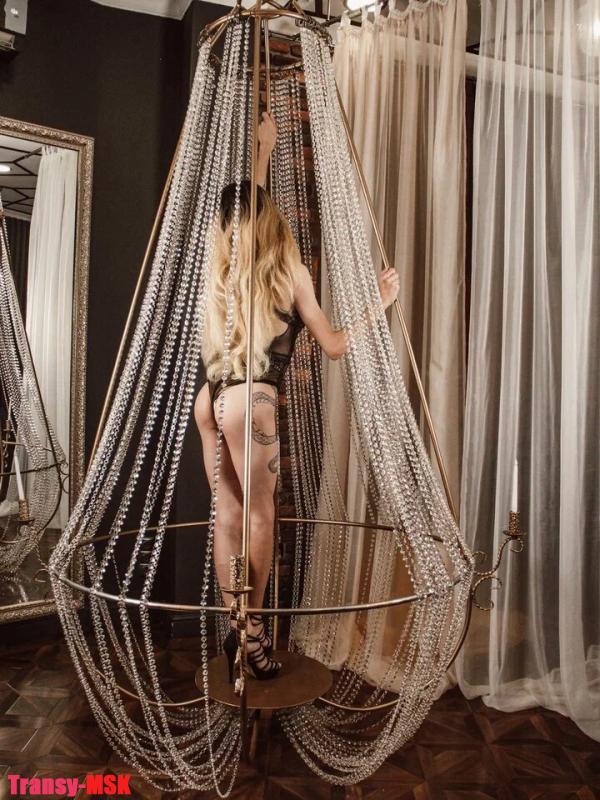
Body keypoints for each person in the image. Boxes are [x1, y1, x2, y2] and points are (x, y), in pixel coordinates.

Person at [194, 113, 399, 682]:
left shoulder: (227, 269)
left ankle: (240, 629)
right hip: (253, 404)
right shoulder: (291, 273)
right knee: (260, 518)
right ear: (273, 220)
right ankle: (252, 632)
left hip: (211, 400)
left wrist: (261, 152)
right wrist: (379, 305)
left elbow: (247, 210)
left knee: (227, 515)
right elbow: (333, 346)